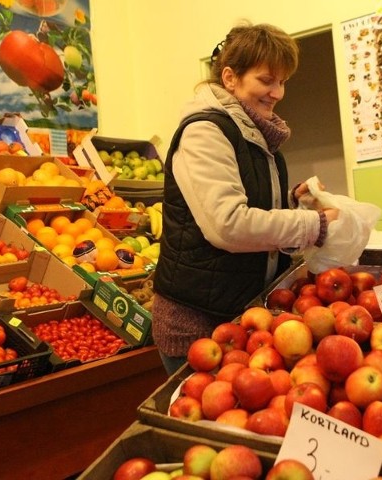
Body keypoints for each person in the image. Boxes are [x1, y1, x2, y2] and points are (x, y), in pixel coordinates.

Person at [151, 22, 340, 375]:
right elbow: (228, 225)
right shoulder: (205, 132)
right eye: (266, 80)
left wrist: (293, 202)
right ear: (230, 78)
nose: (278, 92)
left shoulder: (255, 135)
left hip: (237, 315)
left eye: (282, 82)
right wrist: (313, 224)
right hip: (196, 325)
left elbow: (250, 205)